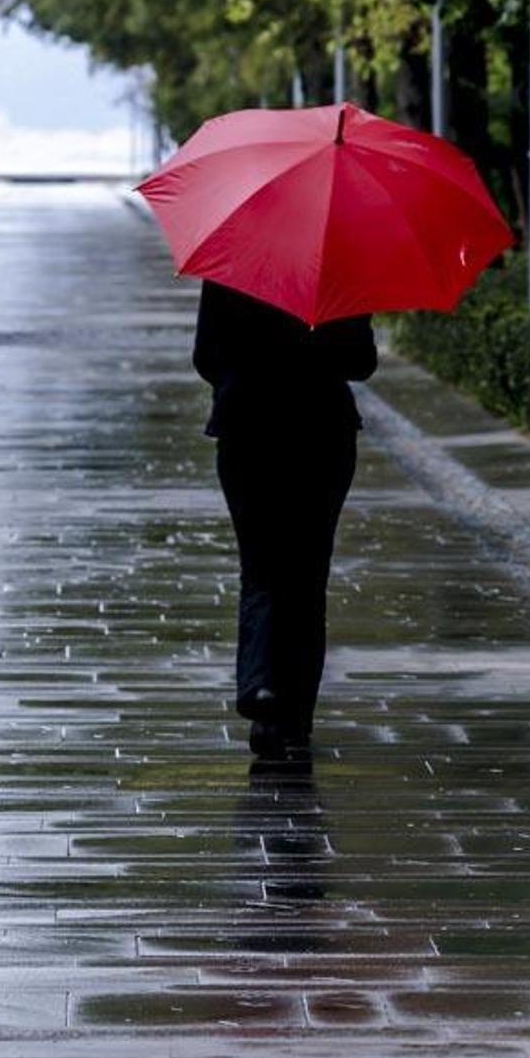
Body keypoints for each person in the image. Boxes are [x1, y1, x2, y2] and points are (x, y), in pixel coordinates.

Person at [193, 279, 378, 758]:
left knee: (261, 566)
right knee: (307, 572)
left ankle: (261, 686)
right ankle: (293, 717)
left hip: (246, 428)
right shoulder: (341, 268)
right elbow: (361, 362)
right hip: (321, 432)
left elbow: (206, 357)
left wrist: (248, 371)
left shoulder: (235, 265)